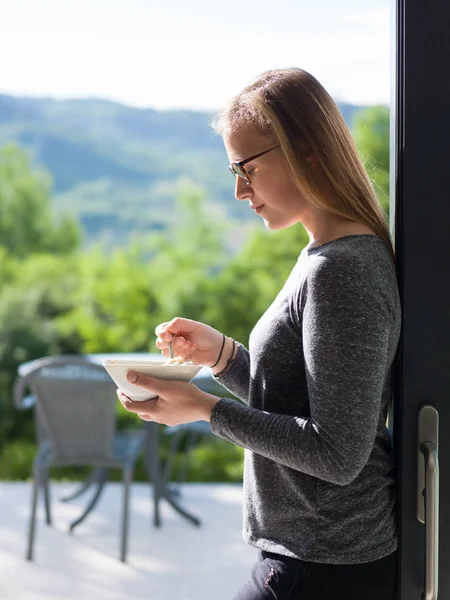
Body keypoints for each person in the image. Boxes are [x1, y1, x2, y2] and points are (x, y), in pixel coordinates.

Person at [117, 68, 401, 600]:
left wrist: (203, 410)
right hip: (316, 557)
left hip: (324, 566)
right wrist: (223, 357)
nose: (238, 190)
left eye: (246, 167)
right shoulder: (328, 254)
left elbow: (336, 454)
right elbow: (302, 403)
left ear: (305, 152)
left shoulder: (341, 270)